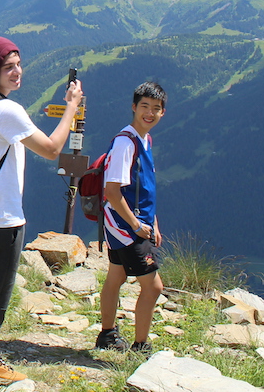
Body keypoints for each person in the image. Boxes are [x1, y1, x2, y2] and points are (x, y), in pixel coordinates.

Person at [0, 36, 83, 384]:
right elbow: (52, 148)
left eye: (18, 64)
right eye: (7, 66)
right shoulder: (6, 110)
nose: (17, 72)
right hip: (4, 217)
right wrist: (71, 106)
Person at [95, 81, 167, 353]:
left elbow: (144, 186)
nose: (149, 113)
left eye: (156, 109)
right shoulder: (126, 143)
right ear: (134, 107)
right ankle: (140, 346)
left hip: (128, 224)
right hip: (127, 227)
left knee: (117, 277)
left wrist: (154, 222)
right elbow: (112, 191)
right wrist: (138, 226)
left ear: (163, 113)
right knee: (154, 287)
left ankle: (107, 334)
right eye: (144, 107)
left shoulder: (144, 140)